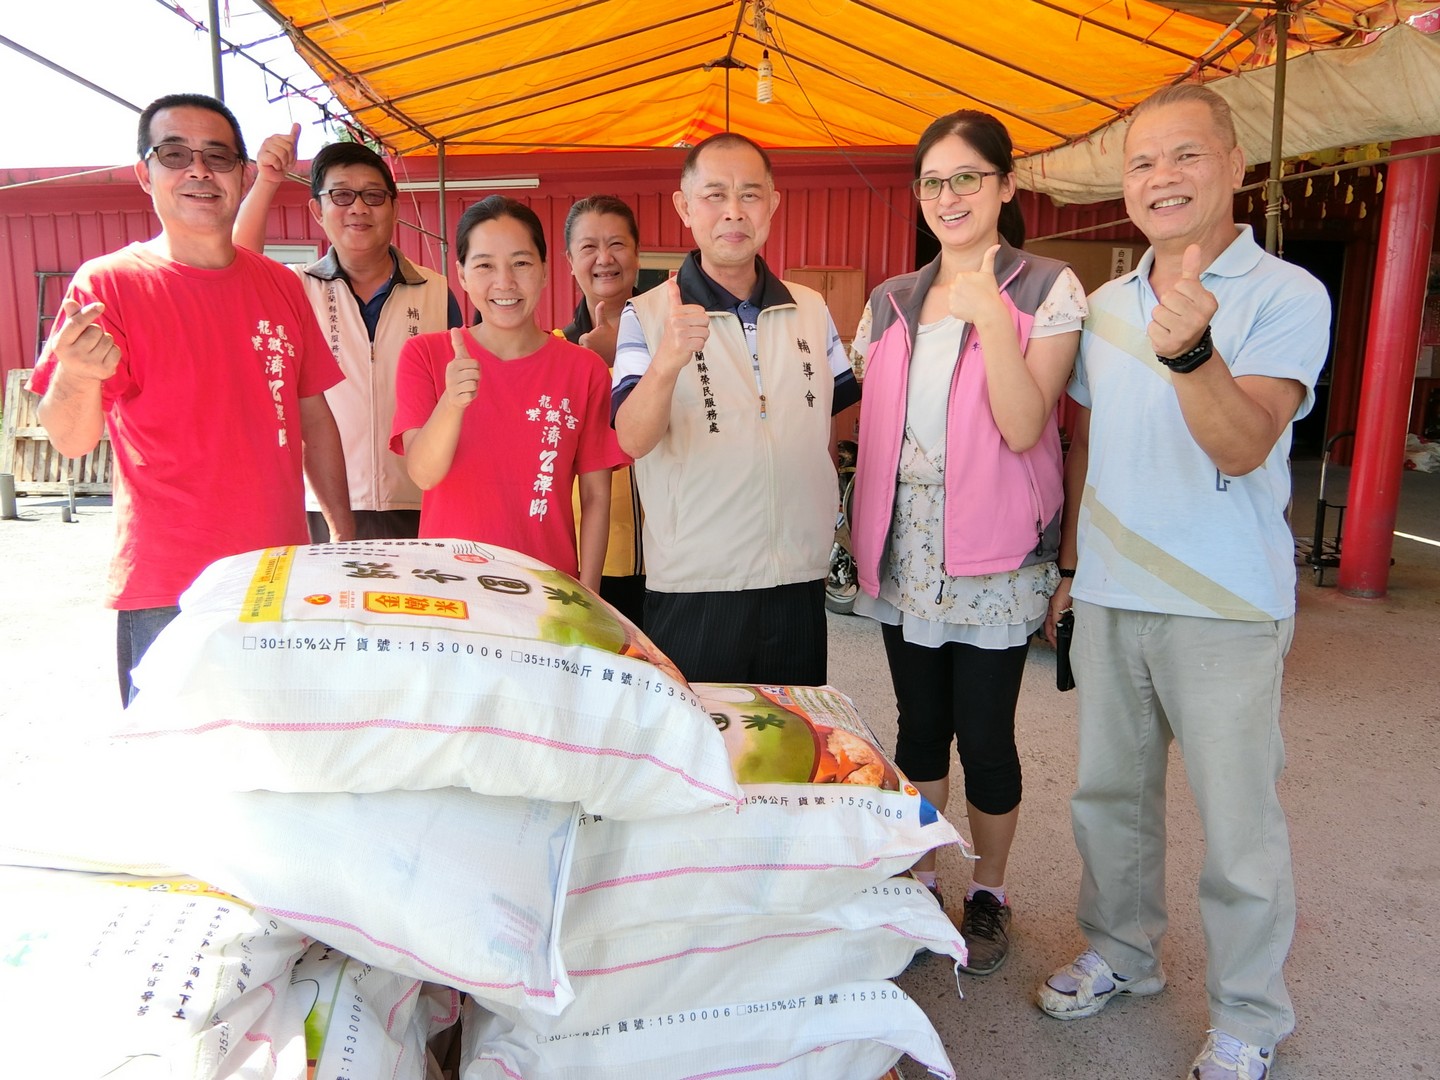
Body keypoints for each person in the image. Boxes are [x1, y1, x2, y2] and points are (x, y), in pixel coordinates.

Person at [1035, 84, 1329, 1080]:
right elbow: (1090, 445)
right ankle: (1122, 955)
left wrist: (1195, 349)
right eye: (1143, 162)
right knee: (1108, 799)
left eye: (1185, 156)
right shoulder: (1109, 304)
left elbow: (1245, 443)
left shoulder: (1287, 294)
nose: (1162, 178)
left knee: (1239, 821)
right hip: (1114, 594)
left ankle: (1248, 1014)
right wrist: (1074, 568)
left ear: (1235, 165)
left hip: (1226, 605)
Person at [847, 109, 1086, 974]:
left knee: (985, 734)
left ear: (1005, 185)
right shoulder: (890, 300)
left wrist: (987, 314)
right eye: (933, 182)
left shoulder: (1045, 287)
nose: (948, 196)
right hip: (905, 546)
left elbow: (1027, 425)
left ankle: (990, 890)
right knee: (918, 728)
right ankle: (922, 881)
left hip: (994, 552)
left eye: (967, 178)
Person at [32, 93, 353, 706]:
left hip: (276, 576)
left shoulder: (281, 286)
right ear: (143, 173)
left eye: (218, 156)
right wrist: (76, 374)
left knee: (277, 765)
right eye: (175, 154)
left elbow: (313, 412)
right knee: (172, 777)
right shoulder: (107, 284)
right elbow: (70, 440)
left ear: (242, 174)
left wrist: (340, 530)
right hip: (167, 586)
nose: (198, 171)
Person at [612, 133, 859, 685]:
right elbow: (630, 440)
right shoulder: (647, 314)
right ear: (684, 207)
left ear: (772, 203)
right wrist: (668, 362)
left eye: (750, 194)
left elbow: (824, 419)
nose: (733, 211)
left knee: (793, 744)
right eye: (714, 194)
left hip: (796, 572)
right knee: (703, 747)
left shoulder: (811, 309)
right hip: (698, 578)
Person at [234, 130, 464, 542]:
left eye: (373, 196)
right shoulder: (295, 289)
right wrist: (268, 180)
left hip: (420, 500)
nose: (358, 208)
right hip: (321, 504)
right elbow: (239, 264)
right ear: (317, 210)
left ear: (394, 208)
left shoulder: (436, 290)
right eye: (341, 195)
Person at [391, 195, 626, 591]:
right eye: (484, 265)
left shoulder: (583, 369)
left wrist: (590, 598)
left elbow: (595, 496)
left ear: (545, 271)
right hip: (450, 588)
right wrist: (452, 402)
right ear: (462, 275)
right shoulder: (426, 355)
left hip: (548, 591)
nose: (505, 283)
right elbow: (423, 475)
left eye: (521, 263)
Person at [560, 195, 646, 625]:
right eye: (589, 247)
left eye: (617, 244)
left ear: (637, 253)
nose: (604, 258)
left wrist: (626, 359)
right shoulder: (554, 349)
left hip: (669, 557)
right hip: (586, 554)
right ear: (569, 260)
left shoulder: (676, 339)